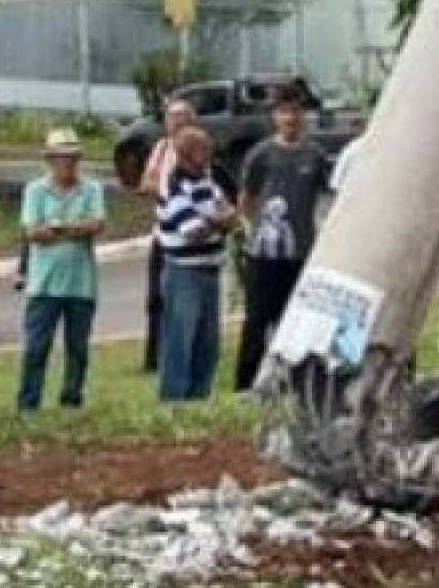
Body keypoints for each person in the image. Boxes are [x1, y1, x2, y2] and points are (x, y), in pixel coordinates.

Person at [234, 84, 334, 393]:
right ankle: (245, 384)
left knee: (294, 323)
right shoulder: (261, 155)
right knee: (256, 322)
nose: (290, 118)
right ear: (274, 117)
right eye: (284, 112)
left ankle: (291, 384)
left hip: (299, 253)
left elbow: (326, 198)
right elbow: (247, 198)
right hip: (264, 255)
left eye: (296, 112)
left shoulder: (314, 156)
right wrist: (254, 230)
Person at [16, 128, 107, 412]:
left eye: (72, 158)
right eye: (61, 158)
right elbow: (33, 231)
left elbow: (97, 225)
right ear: (50, 160)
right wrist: (75, 227)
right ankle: (29, 404)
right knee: (35, 349)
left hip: (81, 284)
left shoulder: (92, 188)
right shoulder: (35, 190)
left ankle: (71, 400)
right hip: (43, 284)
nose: (67, 164)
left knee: (78, 350)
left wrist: (58, 227)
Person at [153, 126, 232, 401]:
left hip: (211, 268)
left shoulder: (209, 182)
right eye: (202, 148)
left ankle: (200, 398)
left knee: (207, 343)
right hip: (184, 273)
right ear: (186, 154)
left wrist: (216, 221)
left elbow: (230, 215)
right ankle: (174, 400)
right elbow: (192, 230)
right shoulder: (175, 186)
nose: (208, 153)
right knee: (180, 340)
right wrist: (216, 221)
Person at [136, 95, 194, 374]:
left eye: (182, 119)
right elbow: (147, 182)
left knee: (184, 298)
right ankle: (154, 357)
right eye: (172, 119)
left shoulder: (198, 149)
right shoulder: (161, 149)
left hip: (188, 234)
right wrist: (159, 187)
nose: (176, 124)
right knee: (156, 296)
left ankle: (182, 354)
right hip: (162, 231)